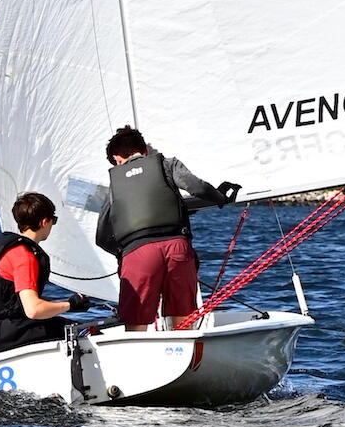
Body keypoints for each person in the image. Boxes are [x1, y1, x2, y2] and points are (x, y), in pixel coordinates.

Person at [93, 126, 240, 330]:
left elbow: (102, 235)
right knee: (181, 318)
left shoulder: (115, 184)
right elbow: (196, 187)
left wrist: (124, 253)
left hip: (138, 254)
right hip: (176, 248)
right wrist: (220, 197)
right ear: (144, 149)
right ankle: (181, 355)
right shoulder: (166, 164)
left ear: (117, 157)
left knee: (136, 323)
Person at [0, 193, 92, 353]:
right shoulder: (25, 256)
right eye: (53, 221)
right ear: (44, 222)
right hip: (10, 332)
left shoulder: (7, 247)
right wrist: (71, 304)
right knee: (84, 331)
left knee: (63, 324)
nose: (52, 226)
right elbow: (33, 310)